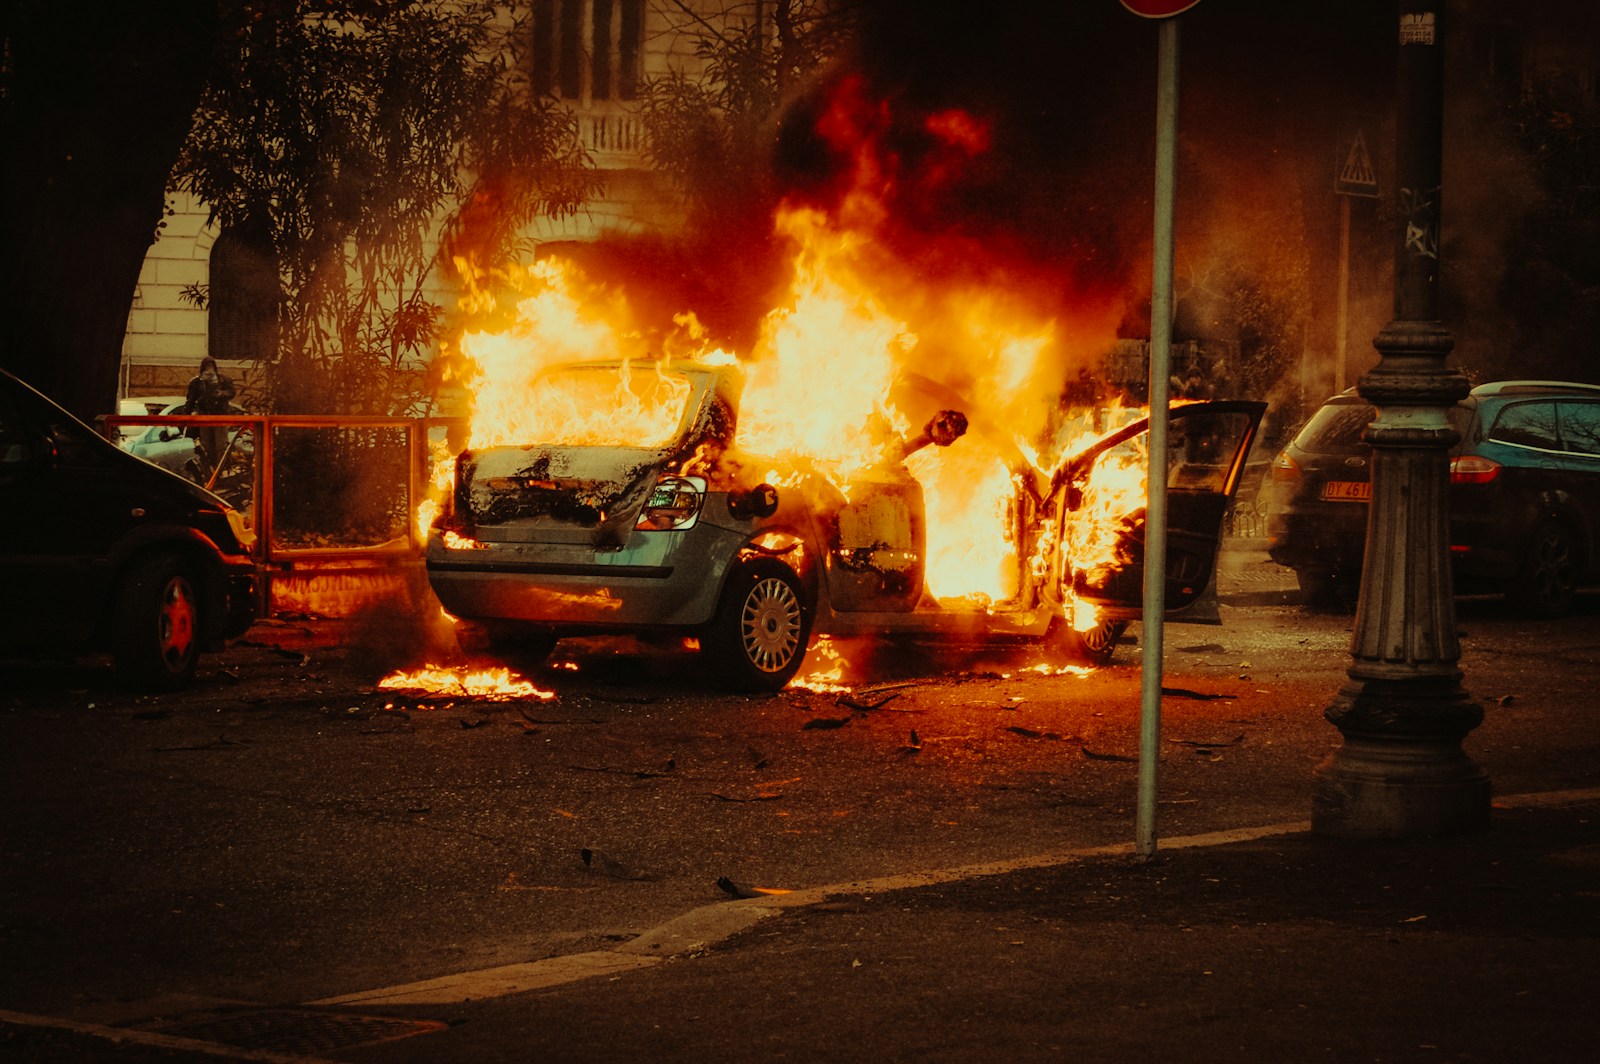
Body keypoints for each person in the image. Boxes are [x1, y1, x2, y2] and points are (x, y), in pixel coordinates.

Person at [183, 357, 236, 479]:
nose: (209, 372)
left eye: (211, 369)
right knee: (207, 447)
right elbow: (190, 400)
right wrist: (186, 416)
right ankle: (211, 472)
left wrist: (221, 394)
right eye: (206, 370)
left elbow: (232, 392)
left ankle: (222, 472)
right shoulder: (196, 383)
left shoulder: (222, 380)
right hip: (205, 416)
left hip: (220, 417)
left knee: (220, 445)